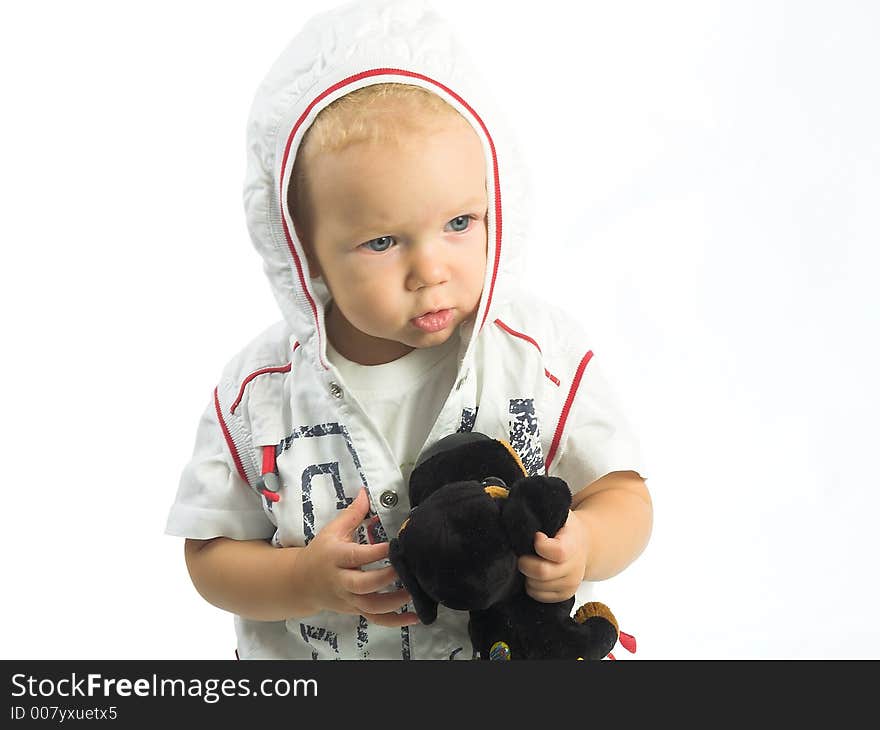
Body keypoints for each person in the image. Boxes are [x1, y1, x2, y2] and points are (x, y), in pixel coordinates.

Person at [165, 0, 652, 660]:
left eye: (460, 224)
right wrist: (301, 580)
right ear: (302, 251)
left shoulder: (538, 355)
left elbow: (622, 493)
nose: (431, 270)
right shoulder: (259, 395)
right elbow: (210, 554)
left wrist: (587, 541)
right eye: (383, 240)